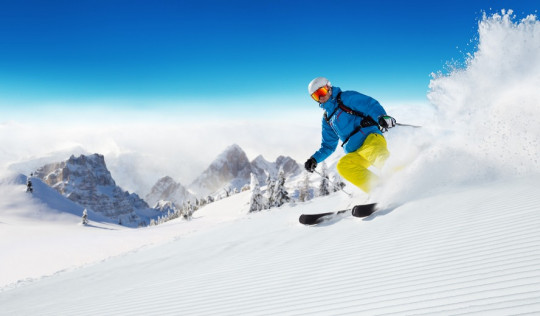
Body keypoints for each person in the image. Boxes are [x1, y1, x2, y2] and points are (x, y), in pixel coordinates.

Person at [304, 77, 396, 193]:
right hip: (356, 151)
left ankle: (400, 179)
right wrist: (314, 159)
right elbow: (328, 146)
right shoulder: (327, 118)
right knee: (344, 166)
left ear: (328, 87)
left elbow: (369, 105)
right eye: (316, 96)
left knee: (375, 155)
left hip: (370, 138)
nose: (321, 97)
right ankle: (378, 190)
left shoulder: (345, 98)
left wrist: (381, 116)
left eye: (321, 92)